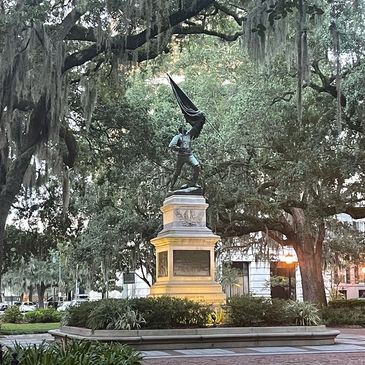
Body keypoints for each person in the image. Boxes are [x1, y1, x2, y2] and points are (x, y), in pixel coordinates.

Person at [168, 115, 205, 190]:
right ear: (181, 130)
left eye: (186, 128)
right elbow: (171, 145)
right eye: (184, 128)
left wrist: (201, 119)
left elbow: (196, 127)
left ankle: (194, 183)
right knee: (177, 172)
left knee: (197, 166)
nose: (185, 129)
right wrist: (180, 149)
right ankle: (171, 186)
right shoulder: (178, 137)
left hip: (189, 155)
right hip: (181, 156)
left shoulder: (189, 135)